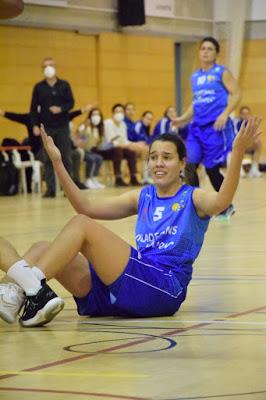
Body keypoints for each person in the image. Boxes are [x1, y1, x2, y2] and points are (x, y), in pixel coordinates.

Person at [0, 117, 261, 327]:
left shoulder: (193, 197)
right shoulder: (143, 196)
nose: (158, 163)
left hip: (163, 287)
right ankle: (23, 291)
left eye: (167, 157)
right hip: (132, 286)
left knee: (82, 225)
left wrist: (237, 152)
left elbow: (222, 201)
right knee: (42, 248)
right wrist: (57, 161)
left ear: (182, 164)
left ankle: (31, 287)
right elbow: (85, 206)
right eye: (154, 157)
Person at [173, 37, 241, 220]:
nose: (205, 51)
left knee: (211, 169)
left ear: (216, 53)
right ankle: (196, 205)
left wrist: (225, 113)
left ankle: (226, 206)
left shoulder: (222, 73)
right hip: (197, 129)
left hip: (216, 128)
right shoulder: (195, 77)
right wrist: (182, 119)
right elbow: (195, 104)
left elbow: (236, 94)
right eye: (203, 48)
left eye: (210, 49)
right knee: (188, 165)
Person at [30, 57, 75, 198]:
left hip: (62, 126)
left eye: (50, 65)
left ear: (55, 67)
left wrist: (61, 109)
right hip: (47, 127)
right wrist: (35, 125)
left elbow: (71, 102)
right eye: (45, 66)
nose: (48, 68)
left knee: (66, 157)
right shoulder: (39, 87)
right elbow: (33, 108)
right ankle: (50, 189)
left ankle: (68, 190)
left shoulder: (64, 85)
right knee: (48, 158)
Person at [104, 104, 140, 186]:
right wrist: (125, 145)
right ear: (113, 113)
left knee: (131, 151)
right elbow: (111, 141)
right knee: (118, 150)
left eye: (121, 111)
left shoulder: (123, 124)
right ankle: (118, 178)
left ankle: (133, 177)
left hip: (119, 148)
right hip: (107, 149)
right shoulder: (108, 123)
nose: (119, 113)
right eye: (117, 111)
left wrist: (134, 144)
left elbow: (125, 140)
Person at [235, 106, 262, 178]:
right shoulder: (237, 124)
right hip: (239, 145)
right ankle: (240, 169)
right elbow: (236, 138)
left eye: (247, 114)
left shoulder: (252, 124)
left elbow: (256, 135)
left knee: (258, 143)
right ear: (240, 115)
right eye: (243, 114)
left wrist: (252, 142)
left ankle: (254, 168)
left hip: (249, 145)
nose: (245, 116)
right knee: (241, 145)